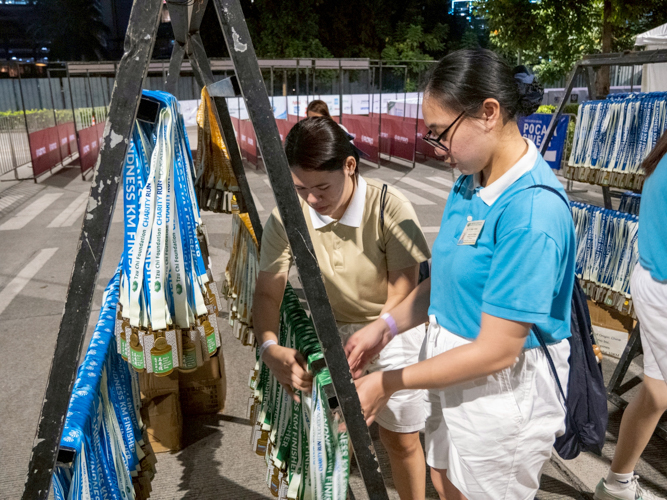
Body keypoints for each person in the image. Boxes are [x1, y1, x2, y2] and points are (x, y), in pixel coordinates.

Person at [344, 48, 574, 500]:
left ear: (488, 113)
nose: (439, 149)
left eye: (440, 134)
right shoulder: (472, 179)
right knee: (444, 481)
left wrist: (388, 381)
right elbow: (446, 282)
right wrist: (385, 327)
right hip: (451, 371)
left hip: (501, 390)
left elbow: (497, 350)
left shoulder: (531, 211)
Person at [254, 116, 431, 499]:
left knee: (399, 438)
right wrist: (270, 348)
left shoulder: (389, 206)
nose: (313, 200)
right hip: (331, 331)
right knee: (332, 438)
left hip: (392, 327)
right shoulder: (288, 212)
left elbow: (403, 290)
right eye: (301, 188)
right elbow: (268, 291)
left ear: (350, 166)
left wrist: (376, 338)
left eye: (322, 187)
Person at [594, 132, 667, 500]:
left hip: (653, 283)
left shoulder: (662, 157)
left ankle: (617, 484)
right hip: (662, 287)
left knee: (656, 393)